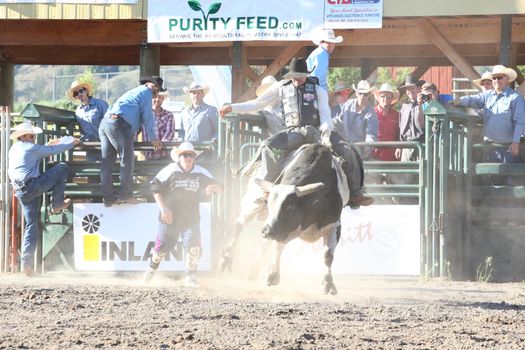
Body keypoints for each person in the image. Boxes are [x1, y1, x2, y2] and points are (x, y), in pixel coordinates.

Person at [220, 57, 373, 209]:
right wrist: (232, 107)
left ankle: (355, 192)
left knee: (347, 150)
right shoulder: (281, 87)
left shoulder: (318, 90)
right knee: (267, 146)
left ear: (306, 74)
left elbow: (325, 114)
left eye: (300, 75)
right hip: (293, 132)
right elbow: (258, 103)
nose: (297, 79)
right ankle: (266, 189)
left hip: (316, 130)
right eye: (294, 76)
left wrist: (325, 132)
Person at [144, 142, 222, 286]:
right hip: (169, 216)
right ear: (179, 157)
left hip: (190, 216)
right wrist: (164, 209)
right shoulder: (170, 170)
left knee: (194, 248)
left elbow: (219, 187)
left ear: (194, 157)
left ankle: (191, 277)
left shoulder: (201, 172)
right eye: (185, 155)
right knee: (161, 249)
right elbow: (155, 188)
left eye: (191, 155)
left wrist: (213, 188)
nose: (188, 158)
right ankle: (151, 270)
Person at [8, 120, 79, 276]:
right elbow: (52, 150)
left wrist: (47, 145)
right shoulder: (31, 147)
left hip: (20, 191)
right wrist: (71, 143)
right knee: (62, 167)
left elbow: (36, 153)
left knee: (31, 225)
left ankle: (26, 263)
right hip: (32, 186)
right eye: (32, 136)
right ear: (26, 136)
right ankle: (57, 203)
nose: (34, 138)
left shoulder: (15, 148)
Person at [99, 76, 163, 207]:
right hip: (118, 124)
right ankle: (125, 195)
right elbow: (147, 115)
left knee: (106, 163)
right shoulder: (146, 92)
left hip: (106, 122)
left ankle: (109, 198)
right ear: (153, 86)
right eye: (156, 90)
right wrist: (153, 138)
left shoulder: (133, 93)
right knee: (127, 160)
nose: (155, 94)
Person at [452, 65, 525, 165]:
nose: (496, 80)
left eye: (499, 77)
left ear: (507, 79)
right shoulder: (487, 95)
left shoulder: (515, 98)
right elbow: (473, 99)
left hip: (508, 147)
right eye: (494, 78)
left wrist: (516, 142)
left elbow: (520, 122)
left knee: (508, 178)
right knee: (489, 178)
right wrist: (459, 101)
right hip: (489, 147)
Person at [66, 80, 108, 161]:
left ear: (86, 91)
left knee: (106, 171)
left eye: (81, 91)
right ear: (75, 97)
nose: (79, 94)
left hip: (104, 144)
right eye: (76, 93)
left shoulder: (101, 104)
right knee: (91, 170)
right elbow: (82, 130)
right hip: (89, 146)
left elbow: (110, 123)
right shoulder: (78, 111)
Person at [333, 80, 378, 150]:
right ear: (356, 93)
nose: (362, 96)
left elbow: (371, 136)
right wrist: (327, 129)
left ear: (369, 95)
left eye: (365, 94)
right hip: (345, 147)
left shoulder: (371, 114)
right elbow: (338, 122)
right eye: (360, 93)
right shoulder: (348, 105)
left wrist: (365, 151)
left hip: (360, 151)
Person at [395, 75, 425, 162]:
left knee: (421, 173)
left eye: (412, 88)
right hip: (406, 146)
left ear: (418, 89)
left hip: (421, 146)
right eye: (408, 89)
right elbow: (400, 129)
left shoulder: (425, 104)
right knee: (406, 173)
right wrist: (399, 146)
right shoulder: (404, 107)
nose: (410, 91)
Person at [141, 92, 175, 160]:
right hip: (148, 155)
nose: (157, 99)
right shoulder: (142, 115)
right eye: (154, 97)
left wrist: (159, 146)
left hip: (164, 155)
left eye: (160, 97)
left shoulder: (168, 115)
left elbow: (170, 133)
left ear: (163, 99)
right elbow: (135, 131)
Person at [372, 83, 400, 162]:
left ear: (392, 99)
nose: (385, 99)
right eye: (383, 96)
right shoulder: (371, 113)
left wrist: (399, 146)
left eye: (388, 97)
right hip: (374, 156)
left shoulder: (397, 115)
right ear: (379, 98)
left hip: (391, 156)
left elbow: (400, 134)